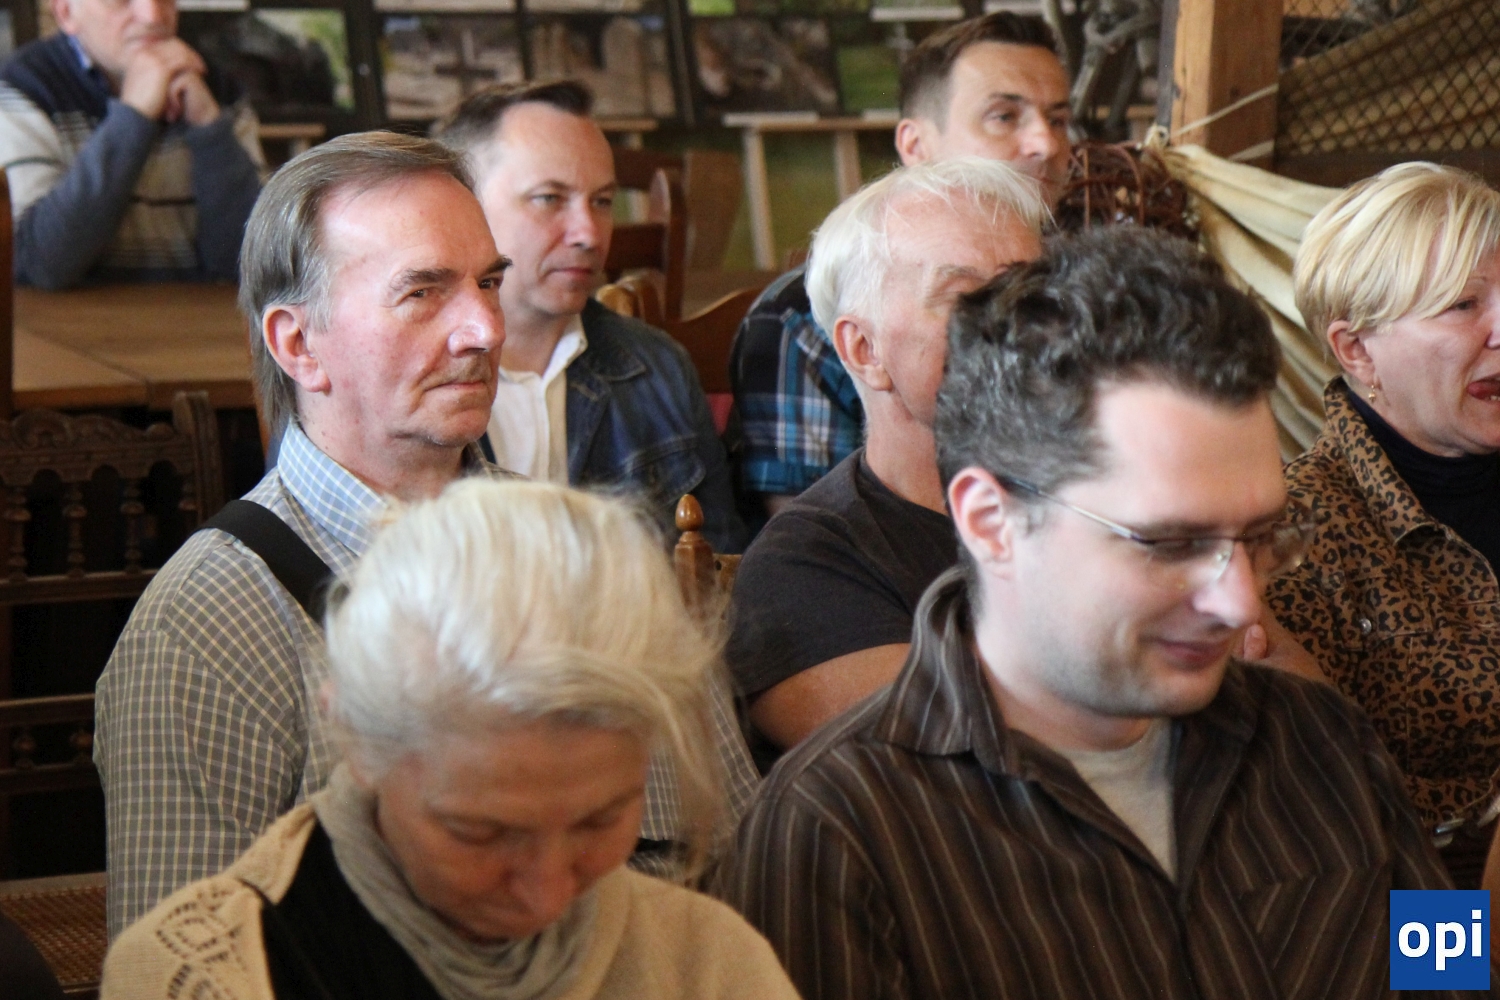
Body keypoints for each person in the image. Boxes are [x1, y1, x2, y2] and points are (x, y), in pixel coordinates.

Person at [720, 228, 1457, 1000]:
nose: (1242, 603)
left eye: (1261, 535)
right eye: (1169, 543)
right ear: (991, 521)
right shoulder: (835, 832)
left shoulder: (1324, 736)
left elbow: (1455, 969)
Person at [102, 479, 800, 1000]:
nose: (546, 896)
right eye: (480, 833)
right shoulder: (210, 976)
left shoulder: (710, 962)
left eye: (600, 821)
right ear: (354, 739)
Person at [92, 132, 506, 938]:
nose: (485, 329)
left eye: (489, 283)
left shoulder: (583, 559)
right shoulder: (212, 625)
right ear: (298, 344)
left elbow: (716, 856)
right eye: (423, 292)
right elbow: (180, 972)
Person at [726, 157, 1044, 761]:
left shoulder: (1106, 502)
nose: (1018, 322)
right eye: (967, 296)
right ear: (864, 349)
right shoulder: (803, 568)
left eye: (1031, 290)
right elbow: (951, 770)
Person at [730, 12, 1070, 521]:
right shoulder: (799, 318)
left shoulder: (1082, 289)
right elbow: (818, 537)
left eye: (1059, 119)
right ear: (915, 146)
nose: (1047, 143)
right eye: (1003, 116)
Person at [1267, 161, 1500, 887]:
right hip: (1414, 916)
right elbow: (1315, 851)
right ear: (1357, 349)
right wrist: (1474, 943)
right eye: (1462, 305)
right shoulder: (1293, 540)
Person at [433, 81, 745, 552]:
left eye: (602, 201)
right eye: (549, 198)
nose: (589, 234)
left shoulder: (658, 368)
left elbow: (719, 568)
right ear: (461, 205)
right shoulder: (413, 381)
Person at [0, 0, 263, 289]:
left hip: (197, 317)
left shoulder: (221, 91)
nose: (153, 16)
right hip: (71, 318)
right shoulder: (20, 89)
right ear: (66, 12)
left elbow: (255, 266)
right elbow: (38, 266)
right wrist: (135, 115)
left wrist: (208, 126)